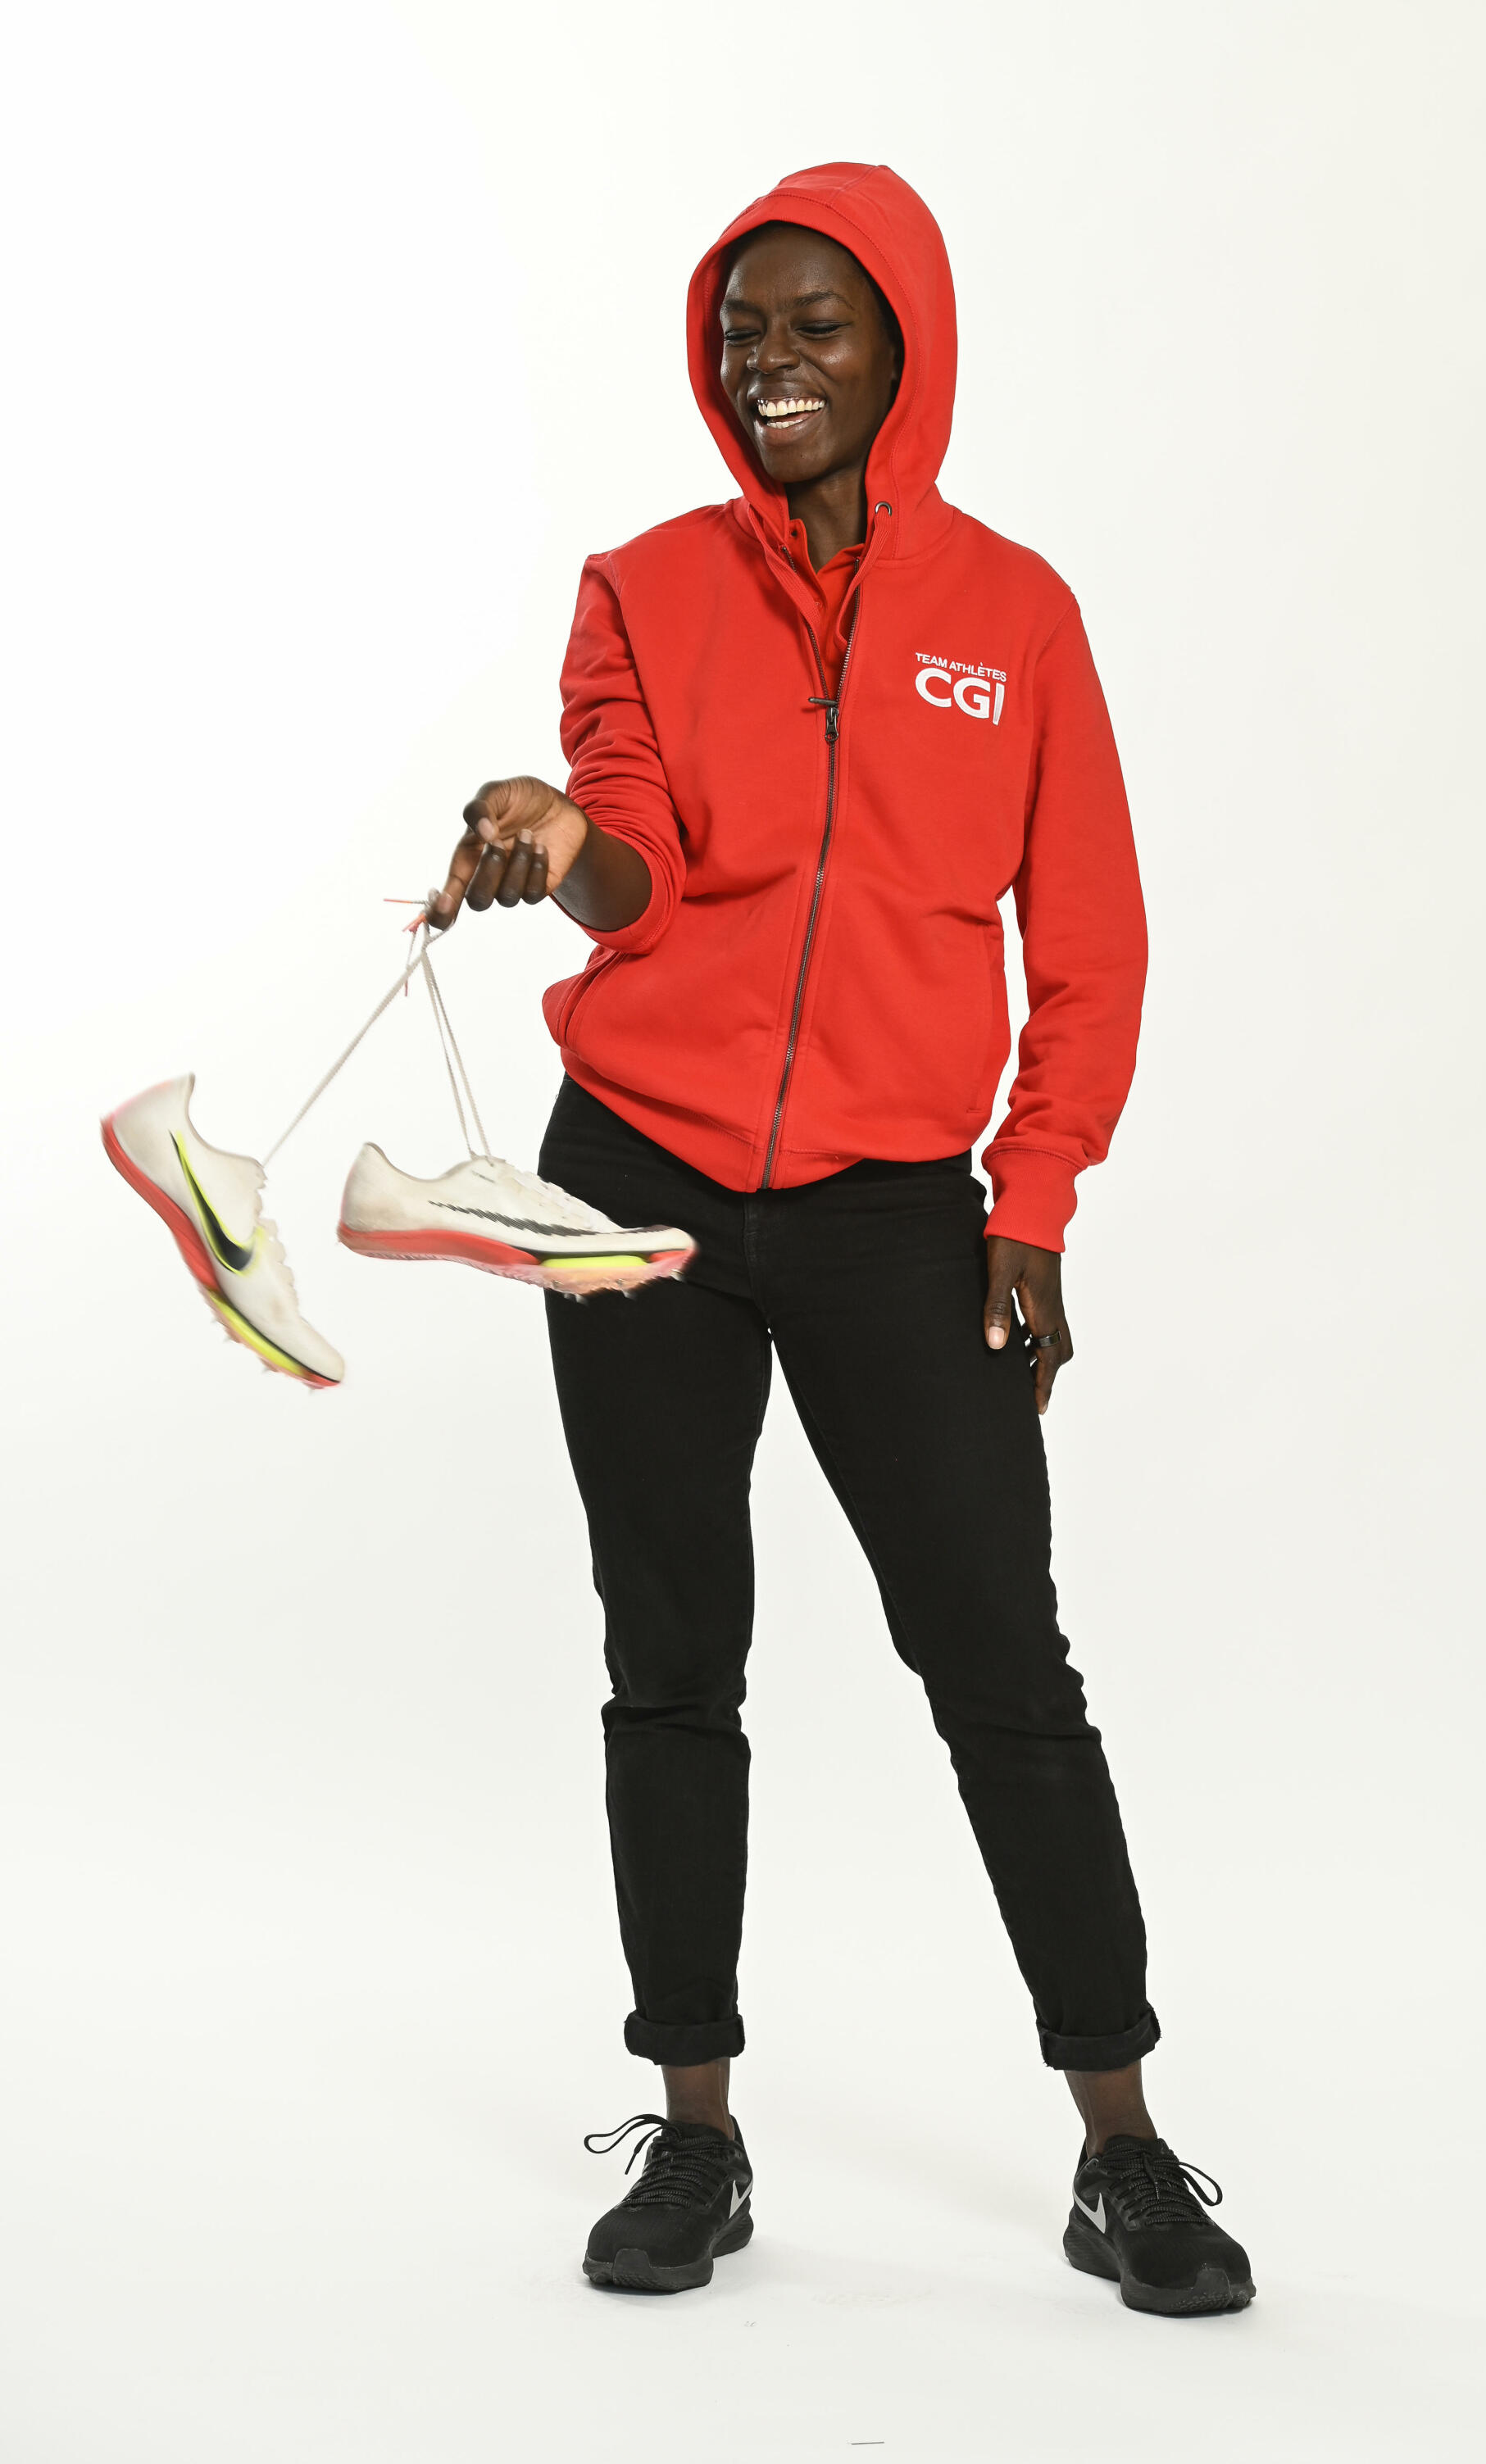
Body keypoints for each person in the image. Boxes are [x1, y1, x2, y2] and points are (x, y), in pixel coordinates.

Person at [429, 163, 1254, 2317]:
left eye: (814, 327)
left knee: (1002, 1661)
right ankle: (693, 2132)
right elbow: (636, 868)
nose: (769, 366)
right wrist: (561, 839)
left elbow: (1091, 944)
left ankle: (1124, 2145)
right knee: (670, 1647)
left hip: (900, 1208)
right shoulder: (640, 590)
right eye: (741, 333)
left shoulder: (1017, 616)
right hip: (636, 1180)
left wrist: (1035, 1199)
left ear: (906, 348)